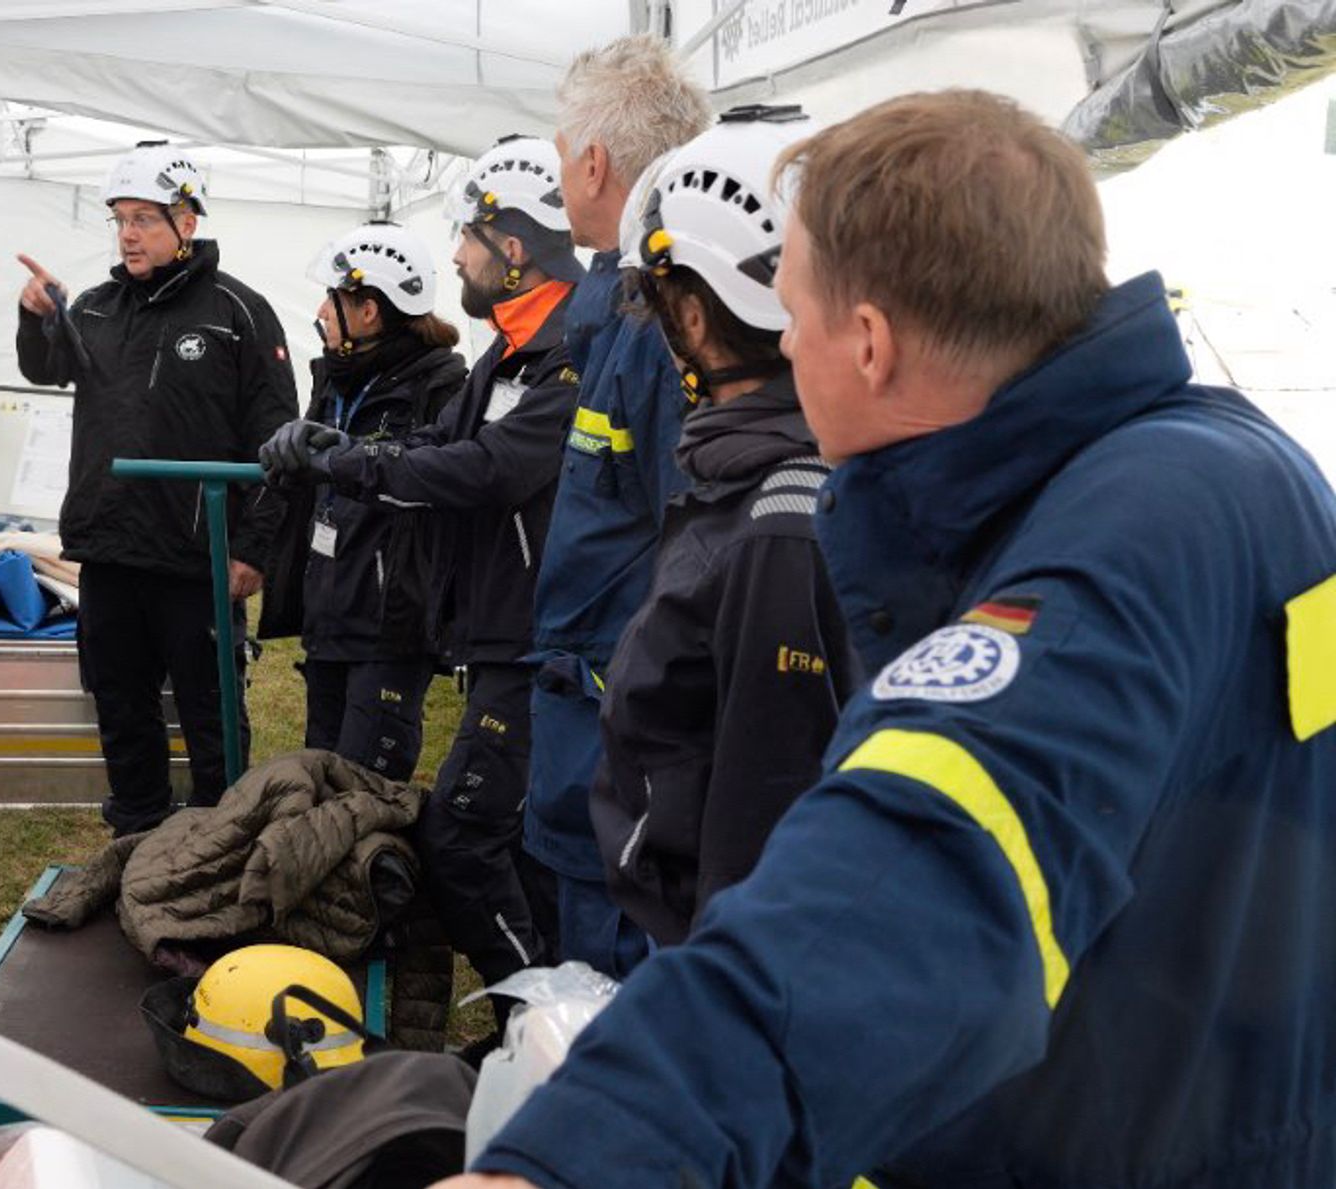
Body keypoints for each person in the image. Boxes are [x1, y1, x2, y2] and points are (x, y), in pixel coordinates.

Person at [440, 89, 1336, 1189]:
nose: (784, 344)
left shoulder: (1129, 532)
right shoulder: (1238, 464)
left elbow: (908, 871)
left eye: (794, 313)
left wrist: (574, 1157)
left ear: (863, 343)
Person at [262, 135, 583, 994]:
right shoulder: (507, 349)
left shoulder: (572, 347)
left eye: (469, 240)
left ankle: (542, 1014)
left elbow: (489, 469)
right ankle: (554, 1022)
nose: (455, 258)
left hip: (542, 635)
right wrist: (344, 444)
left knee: (463, 838)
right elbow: (440, 444)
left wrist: (345, 462)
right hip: (502, 635)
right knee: (524, 843)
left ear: (511, 252)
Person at [589, 106, 856, 953]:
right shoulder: (763, 485)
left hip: (714, 969)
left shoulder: (776, 527)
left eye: (657, 301)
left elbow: (759, 826)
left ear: (694, 318)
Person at [15, 141, 297, 837]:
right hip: (110, 549)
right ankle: (135, 831)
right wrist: (37, 315)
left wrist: (254, 549)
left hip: (197, 559)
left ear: (187, 223)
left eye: (144, 218)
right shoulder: (99, 307)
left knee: (212, 711)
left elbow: (276, 440)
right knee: (120, 701)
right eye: (120, 219)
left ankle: (221, 837)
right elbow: (45, 368)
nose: (129, 234)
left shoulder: (239, 312)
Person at [524, 34, 713, 976]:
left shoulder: (657, 327)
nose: (563, 179)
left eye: (562, 159)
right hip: (592, 715)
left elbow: (691, 549)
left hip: (623, 733)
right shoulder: (620, 309)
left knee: (607, 983)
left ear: (593, 162)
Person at [257, 221, 467, 779]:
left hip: (388, 623)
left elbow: (434, 481)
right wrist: (288, 462)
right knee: (320, 779)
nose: (322, 311)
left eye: (333, 298)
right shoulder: (338, 377)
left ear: (368, 310)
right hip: (330, 612)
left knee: (365, 793)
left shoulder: (442, 384)